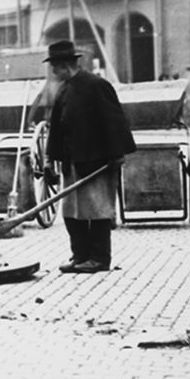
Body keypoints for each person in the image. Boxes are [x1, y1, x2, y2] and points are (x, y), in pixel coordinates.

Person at [43, 40, 136, 274]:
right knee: (72, 211)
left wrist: (116, 155)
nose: (52, 71)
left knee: (97, 209)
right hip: (72, 160)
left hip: (96, 160)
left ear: (65, 65)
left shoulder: (96, 85)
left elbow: (114, 121)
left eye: (54, 66)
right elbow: (56, 127)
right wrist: (49, 159)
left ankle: (99, 259)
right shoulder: (65, 88)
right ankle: (80, 255)